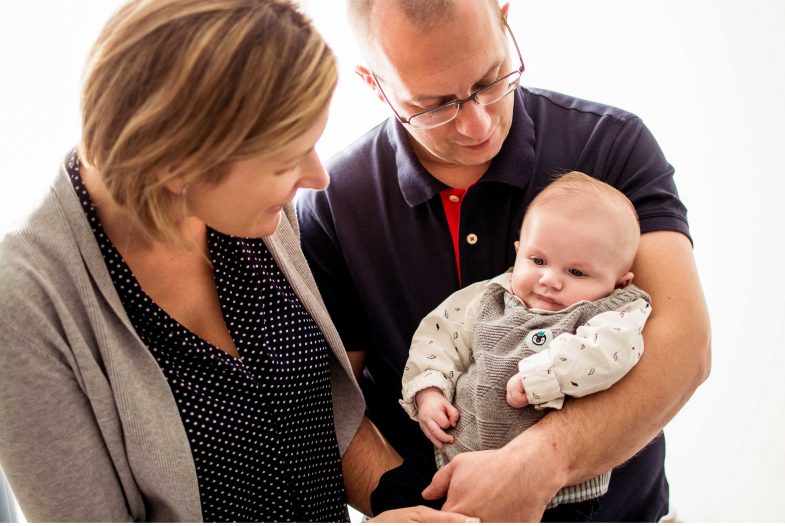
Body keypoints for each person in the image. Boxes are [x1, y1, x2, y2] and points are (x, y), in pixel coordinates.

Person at [0, 0, 478, 522]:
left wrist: (428, 508)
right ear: (179, 161)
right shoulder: (26, 305)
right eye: (285, 160)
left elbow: (318, 421)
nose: (317, 178)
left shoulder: (254, 217)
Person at [296, 0, 711, 521]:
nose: (477, 124)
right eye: (434, 105)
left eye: (492, 80)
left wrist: (540, 465)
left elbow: (684, 347)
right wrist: (415, 508)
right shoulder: (333, 203)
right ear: (374, 85)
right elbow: (325, 400)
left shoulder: (612, 143)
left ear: (506, 20)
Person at [372, 171, 652, 514]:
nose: (550, 280)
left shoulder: (611, 314)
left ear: (619, 282)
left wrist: (542, 377)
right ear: (518, 252)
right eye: (538, 261)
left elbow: (610, 354)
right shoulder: (490, 297)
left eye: (576, 272)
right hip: (452, 458)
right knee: (391, 498)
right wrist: (429, 391)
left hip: (555, 493)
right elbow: (439, 337)